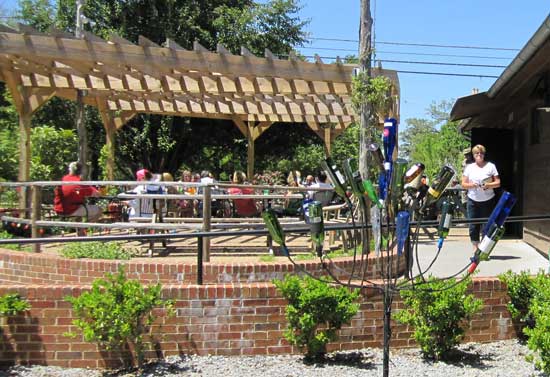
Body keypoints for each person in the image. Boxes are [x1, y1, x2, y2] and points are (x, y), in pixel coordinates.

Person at [461, 144, 501, 251]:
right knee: (473, 225)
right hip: (473, 200)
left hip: (488, 200)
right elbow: (463, 184)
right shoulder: (469, 167)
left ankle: (484, 248)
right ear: (473, 155)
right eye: (477, 153)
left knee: (487, 225)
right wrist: (472, 185)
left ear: (484, 154)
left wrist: (489, 185)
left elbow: (498, 182)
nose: (479, 155)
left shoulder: (491, 166)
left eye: (481, 153)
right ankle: (475, 247)